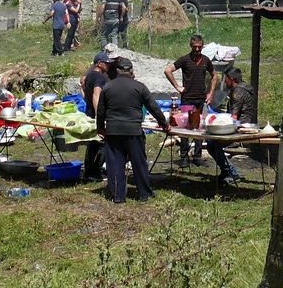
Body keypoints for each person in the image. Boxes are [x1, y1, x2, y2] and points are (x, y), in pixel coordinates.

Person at [95, 56, 171, 203]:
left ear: (117, 71)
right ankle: (144, 194)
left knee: (115, 164)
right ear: (131, 72)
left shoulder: (108, 87)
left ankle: (118, 196)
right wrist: (164, 123)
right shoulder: (139, 86)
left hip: (113, 131)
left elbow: (101, 111)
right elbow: (153, 106)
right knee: (139, 163)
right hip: (133, 131)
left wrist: (100, 128)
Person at [164, 34, 219, 167]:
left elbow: (215, 76)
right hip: (187, 98)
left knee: (199, 127)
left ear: (202, 46)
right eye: (195, 47)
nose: (197, 49)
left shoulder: (206, 60)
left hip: (200, 99)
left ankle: (197, 156)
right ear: (191, 45)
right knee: (184, 127)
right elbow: (168, 70)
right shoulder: (185, 60)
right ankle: (184, 156)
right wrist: (177, 86)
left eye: (199, 47)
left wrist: (211, 94)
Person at [204, 67, 255, 183]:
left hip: (238, 128)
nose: (225, 82)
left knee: (212, 144)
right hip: (244, 124)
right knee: (212, 142)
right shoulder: (246, 88)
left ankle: (231, 172)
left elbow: (234, 116)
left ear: (231, 79)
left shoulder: (237, 92)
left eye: (226, 79)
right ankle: (226, 171)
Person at [80, 51, 113, 182]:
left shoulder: (89, 75)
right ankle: (96, 171)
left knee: (92, 143)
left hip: (88, 112)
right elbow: (96, 96)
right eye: (107, 63)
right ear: (99, 64)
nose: (109, 66)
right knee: (102, 142)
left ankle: (88, 170)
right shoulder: (100, 78)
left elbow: (82, 88)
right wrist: (99, 115)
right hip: (94, 114)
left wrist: (86, 101)